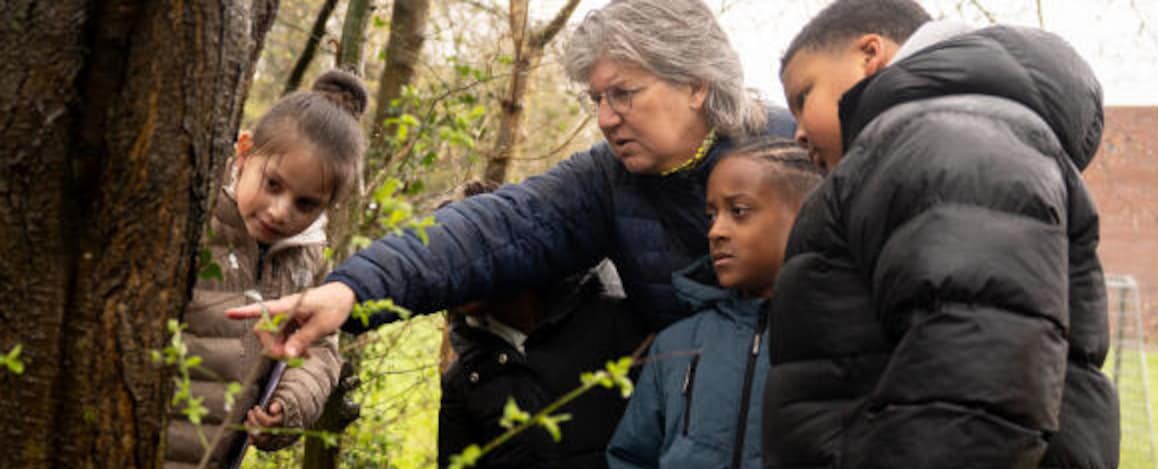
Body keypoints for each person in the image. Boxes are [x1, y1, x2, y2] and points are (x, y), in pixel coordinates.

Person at [763, 1, 1120, 469]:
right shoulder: (945, 137)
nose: (795, 131)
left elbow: (973, 397)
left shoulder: (942, 134)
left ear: (869, 55)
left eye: (802, 96)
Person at [225, 0, 794, 358]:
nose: (604, 118)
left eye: (624, 93)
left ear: (695, 84)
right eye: (598, 98)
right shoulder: (608, 179)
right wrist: (354, 289)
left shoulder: (797, 155)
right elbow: (496, 229)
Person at [141, 70, 366, 469]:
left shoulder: (305, 260)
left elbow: (320, 352)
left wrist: (287, 406)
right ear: (244, 152)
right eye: (273, 185)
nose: (282, 211)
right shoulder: (190, 225)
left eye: (306, 203)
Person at [606, 137, 822, 469]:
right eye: (712, 215)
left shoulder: (835, 339)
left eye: (740, 212)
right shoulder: (677, 344)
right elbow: (633, 466)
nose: (717, 232)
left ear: (807, 217)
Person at [435, 181, 642, 469]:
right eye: (442, 260)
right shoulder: (467, 379)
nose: (454, 271)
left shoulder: (613, 318)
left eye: (466, 250)